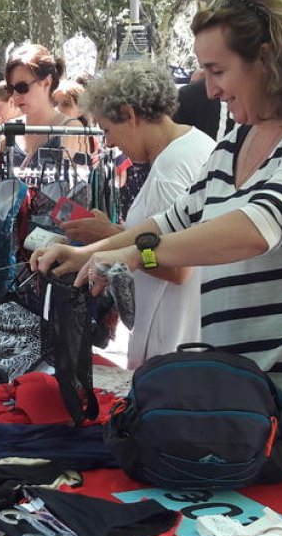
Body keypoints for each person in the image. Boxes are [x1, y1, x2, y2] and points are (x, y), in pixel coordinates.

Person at [31, 0, 282, 519]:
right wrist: (93, 253)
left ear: (268, 58)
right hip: (249, 399)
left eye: (218, 70)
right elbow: (170, 221)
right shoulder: (234, 143)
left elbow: (255, 227)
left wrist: (134, 255)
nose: (210, 87)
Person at [62, 60, 216, 368]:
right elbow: (167, 236)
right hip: (180, 338)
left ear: (130, 115)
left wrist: (111, 244)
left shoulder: (172, 168)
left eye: (108, 130)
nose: (109, 142)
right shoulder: (194, 146)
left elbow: (177, 266)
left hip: (170, 342)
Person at [5, 43, 88, 168]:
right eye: (10, 89)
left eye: (22, 87)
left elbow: (73, 180)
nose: (15, 95)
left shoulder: (70, 128)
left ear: (46, 83)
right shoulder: (9, 128)